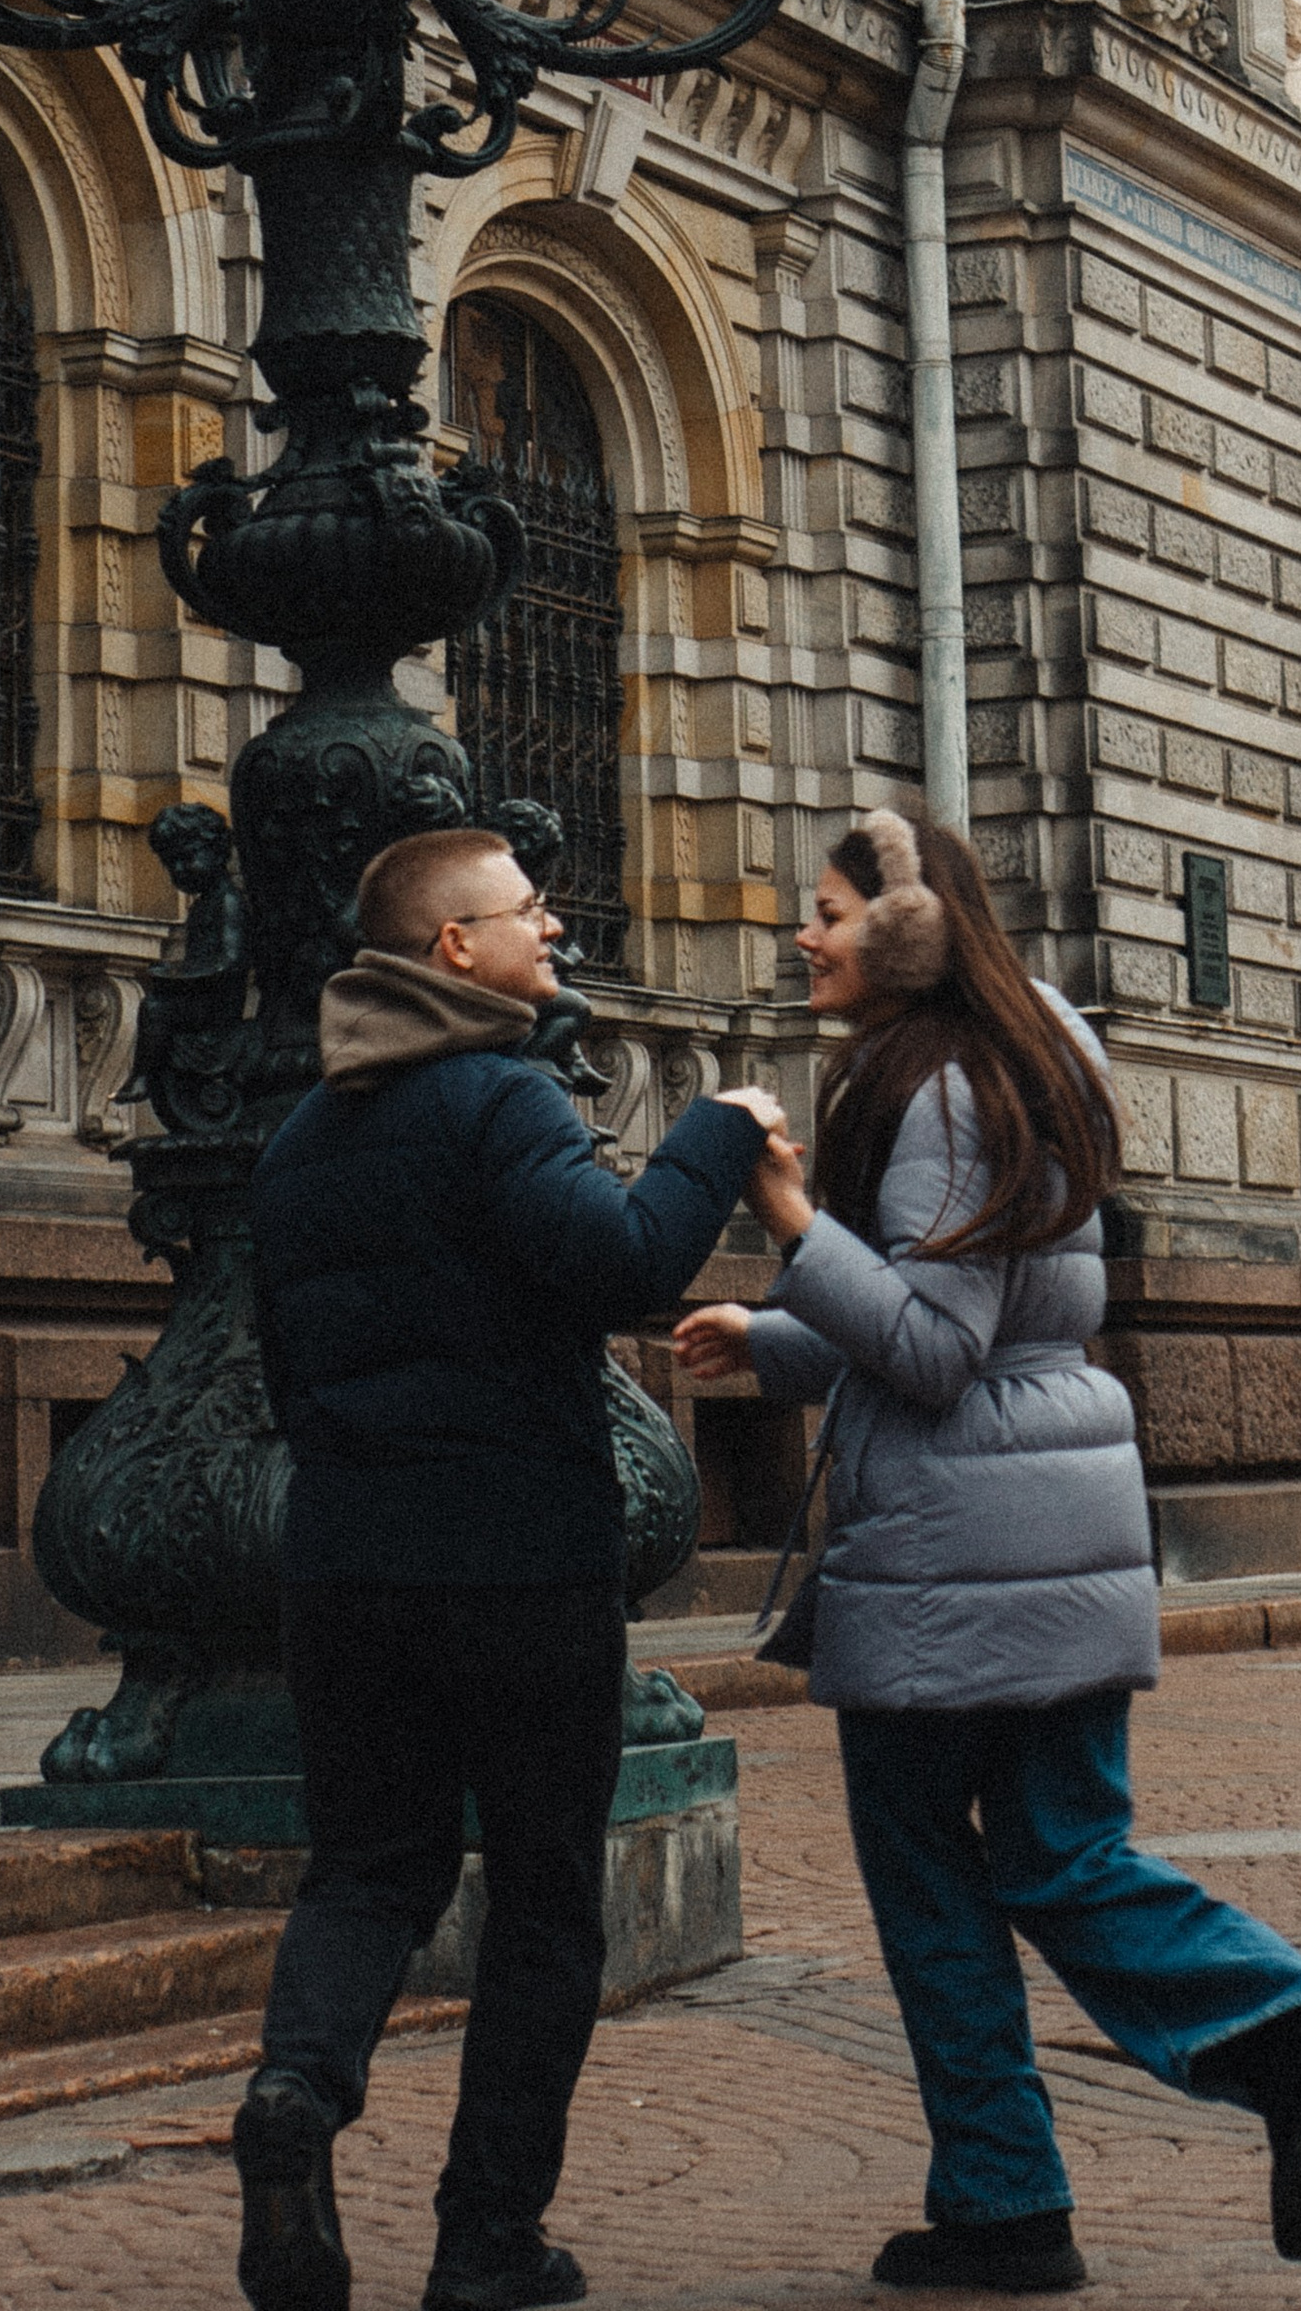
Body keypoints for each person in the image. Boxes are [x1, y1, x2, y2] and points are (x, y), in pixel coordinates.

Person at [672, 809, 1301, 2296]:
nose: (805, 936)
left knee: (931, 1873)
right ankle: (1285, 2037)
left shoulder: (932, 1087)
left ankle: (1010, 2194)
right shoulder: (1027, 1049)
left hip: (950, 1539)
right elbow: (984, 1315)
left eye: (828, 911)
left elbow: (932, 1346)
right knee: (1066, 1847)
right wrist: (776, 1340)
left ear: (910, 926)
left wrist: (788, 1217)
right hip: (1052, 1508)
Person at [236, 823, 805, 2311]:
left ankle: (296, 2094)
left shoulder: (298, 1140)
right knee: (548, 1903)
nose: (552, 928)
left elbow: (285, 1367)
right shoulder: (505, 1100)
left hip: (345, 1559)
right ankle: (487, 2239)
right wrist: (717, 1135)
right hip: (514, 1564)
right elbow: (620, 1267)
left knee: (369, 1868)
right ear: (453, 951)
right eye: (524, 912)